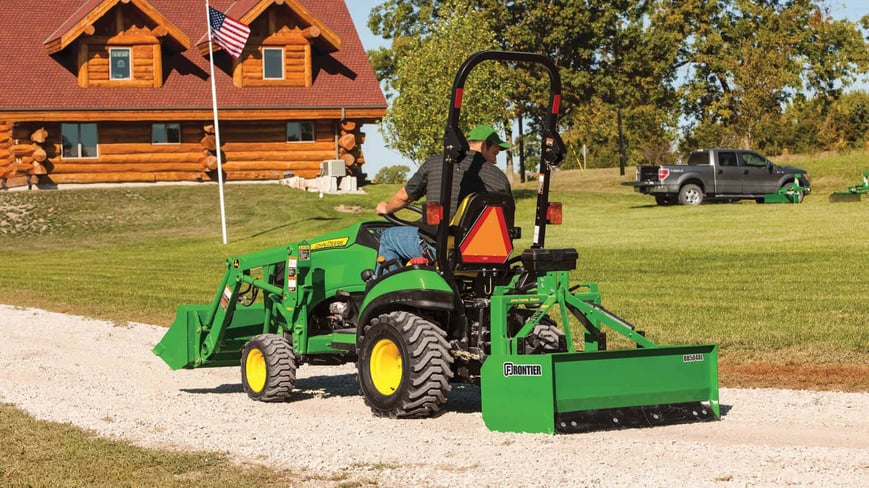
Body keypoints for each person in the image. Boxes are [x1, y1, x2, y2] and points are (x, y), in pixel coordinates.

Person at [374, 125, 512, 272]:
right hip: (485, 254)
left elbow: (404, 197)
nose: (495, 160)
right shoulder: (500, 179)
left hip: (442, 250)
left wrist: (386, 208)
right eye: (495, 153)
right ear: (484, 145)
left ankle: (389, 291)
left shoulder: (437, 164)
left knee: (388, 237)